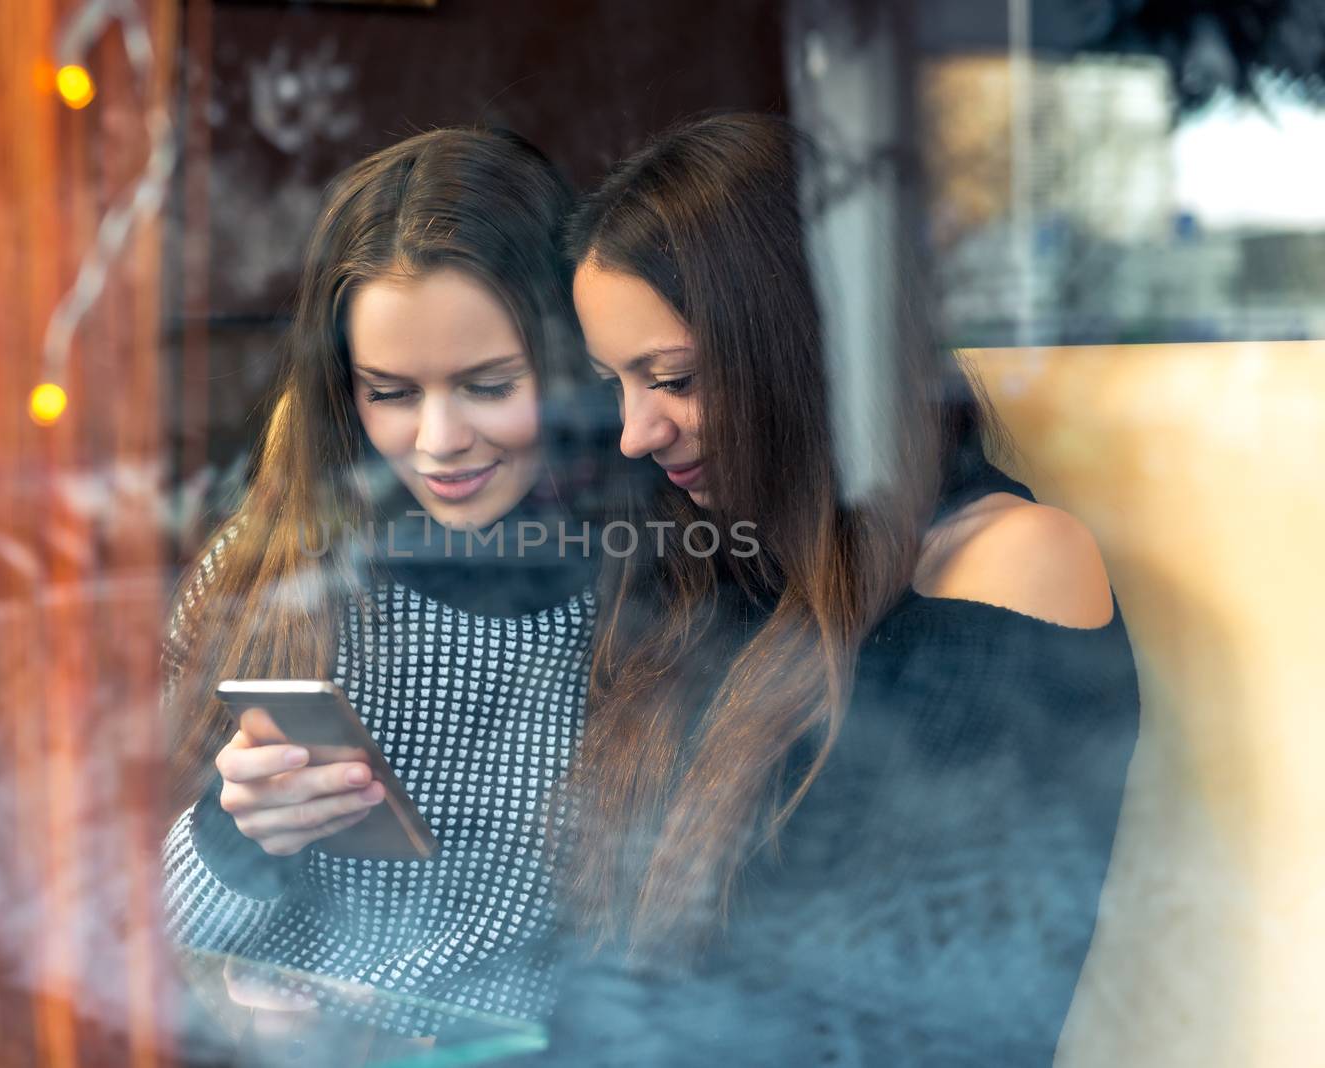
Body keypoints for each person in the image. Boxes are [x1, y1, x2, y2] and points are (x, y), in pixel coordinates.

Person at [545, 113, 1140, 1065]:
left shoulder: (1008, 563)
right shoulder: (717, 562)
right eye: (617, 384)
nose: (635, 432)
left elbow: (935, 1004)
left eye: (675, 378)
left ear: (806, 345)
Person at [158, 127, 614, 1040]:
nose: (439, 441)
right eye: (392, 393)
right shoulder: (264, 574)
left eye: (488, 386)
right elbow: (146, 934)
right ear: (341, 390)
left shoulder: (644, 593)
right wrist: (233, 837)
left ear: (572, 364)